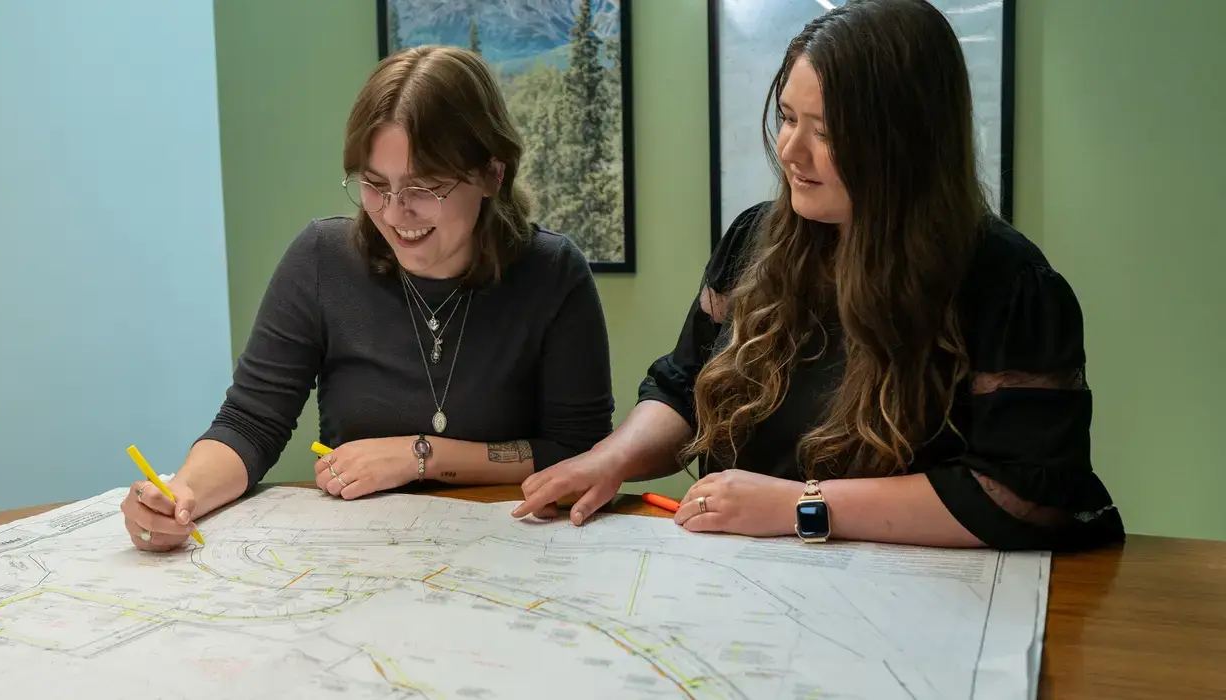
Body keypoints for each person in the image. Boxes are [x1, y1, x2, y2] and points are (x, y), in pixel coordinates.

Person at [512, 0, 1124, 551]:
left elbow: (1019, 494)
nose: (791, 150)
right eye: (786, 117)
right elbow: (682, 388)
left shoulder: (1007, 283)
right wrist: (611, 458)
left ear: (905, 143)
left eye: (826, 132)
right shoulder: (754, 239)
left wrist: (800, 506)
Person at [122, 45, 615, 551]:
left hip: (515, 551)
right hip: (359, 559)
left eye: (425, 188)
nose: (397, 215)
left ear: (493, 174)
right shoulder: (321, 259)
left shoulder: (553, 273)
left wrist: (420, 455)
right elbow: (251, 422)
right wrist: (182, 494)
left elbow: (580, 451)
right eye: (375, 186)